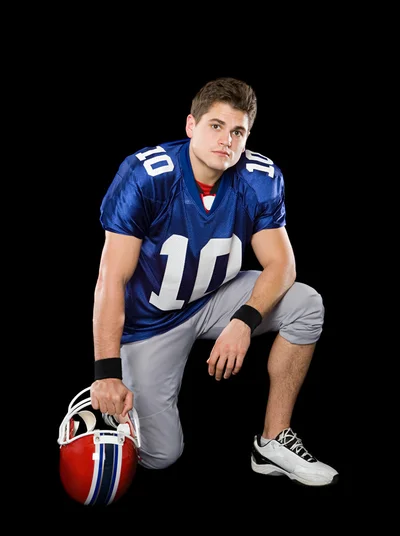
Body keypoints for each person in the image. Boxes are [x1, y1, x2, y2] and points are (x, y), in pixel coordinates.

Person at [90, 77, 338, 487]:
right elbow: (111, 280)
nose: (227, 140)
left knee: (306, 303)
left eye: (238, 131)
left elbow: (282, 265)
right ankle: (99, 403)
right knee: (161, 455)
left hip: (213, 297)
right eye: (216, 126)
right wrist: (105, 371)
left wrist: (243, 320)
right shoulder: (147, 176)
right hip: (152, 321)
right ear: (191, 125)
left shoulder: (259, 178)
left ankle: (273, 441)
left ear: (247, 137)